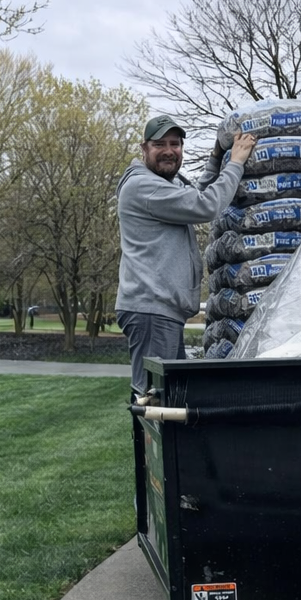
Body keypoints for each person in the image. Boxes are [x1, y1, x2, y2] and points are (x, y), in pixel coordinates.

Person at [115, 114, 256, 395]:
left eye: (175, 144)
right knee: (155, 397)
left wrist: (216, 158)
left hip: (159, 310)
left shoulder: (164, 184)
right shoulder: (143, 187)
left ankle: (156, 437)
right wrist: (236, 163)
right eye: (160, 144)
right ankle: (145, 439)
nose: (169, 150)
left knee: (167, 395)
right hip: (152, 309)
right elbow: (204, 206)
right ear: (144, 149)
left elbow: (195, 194)